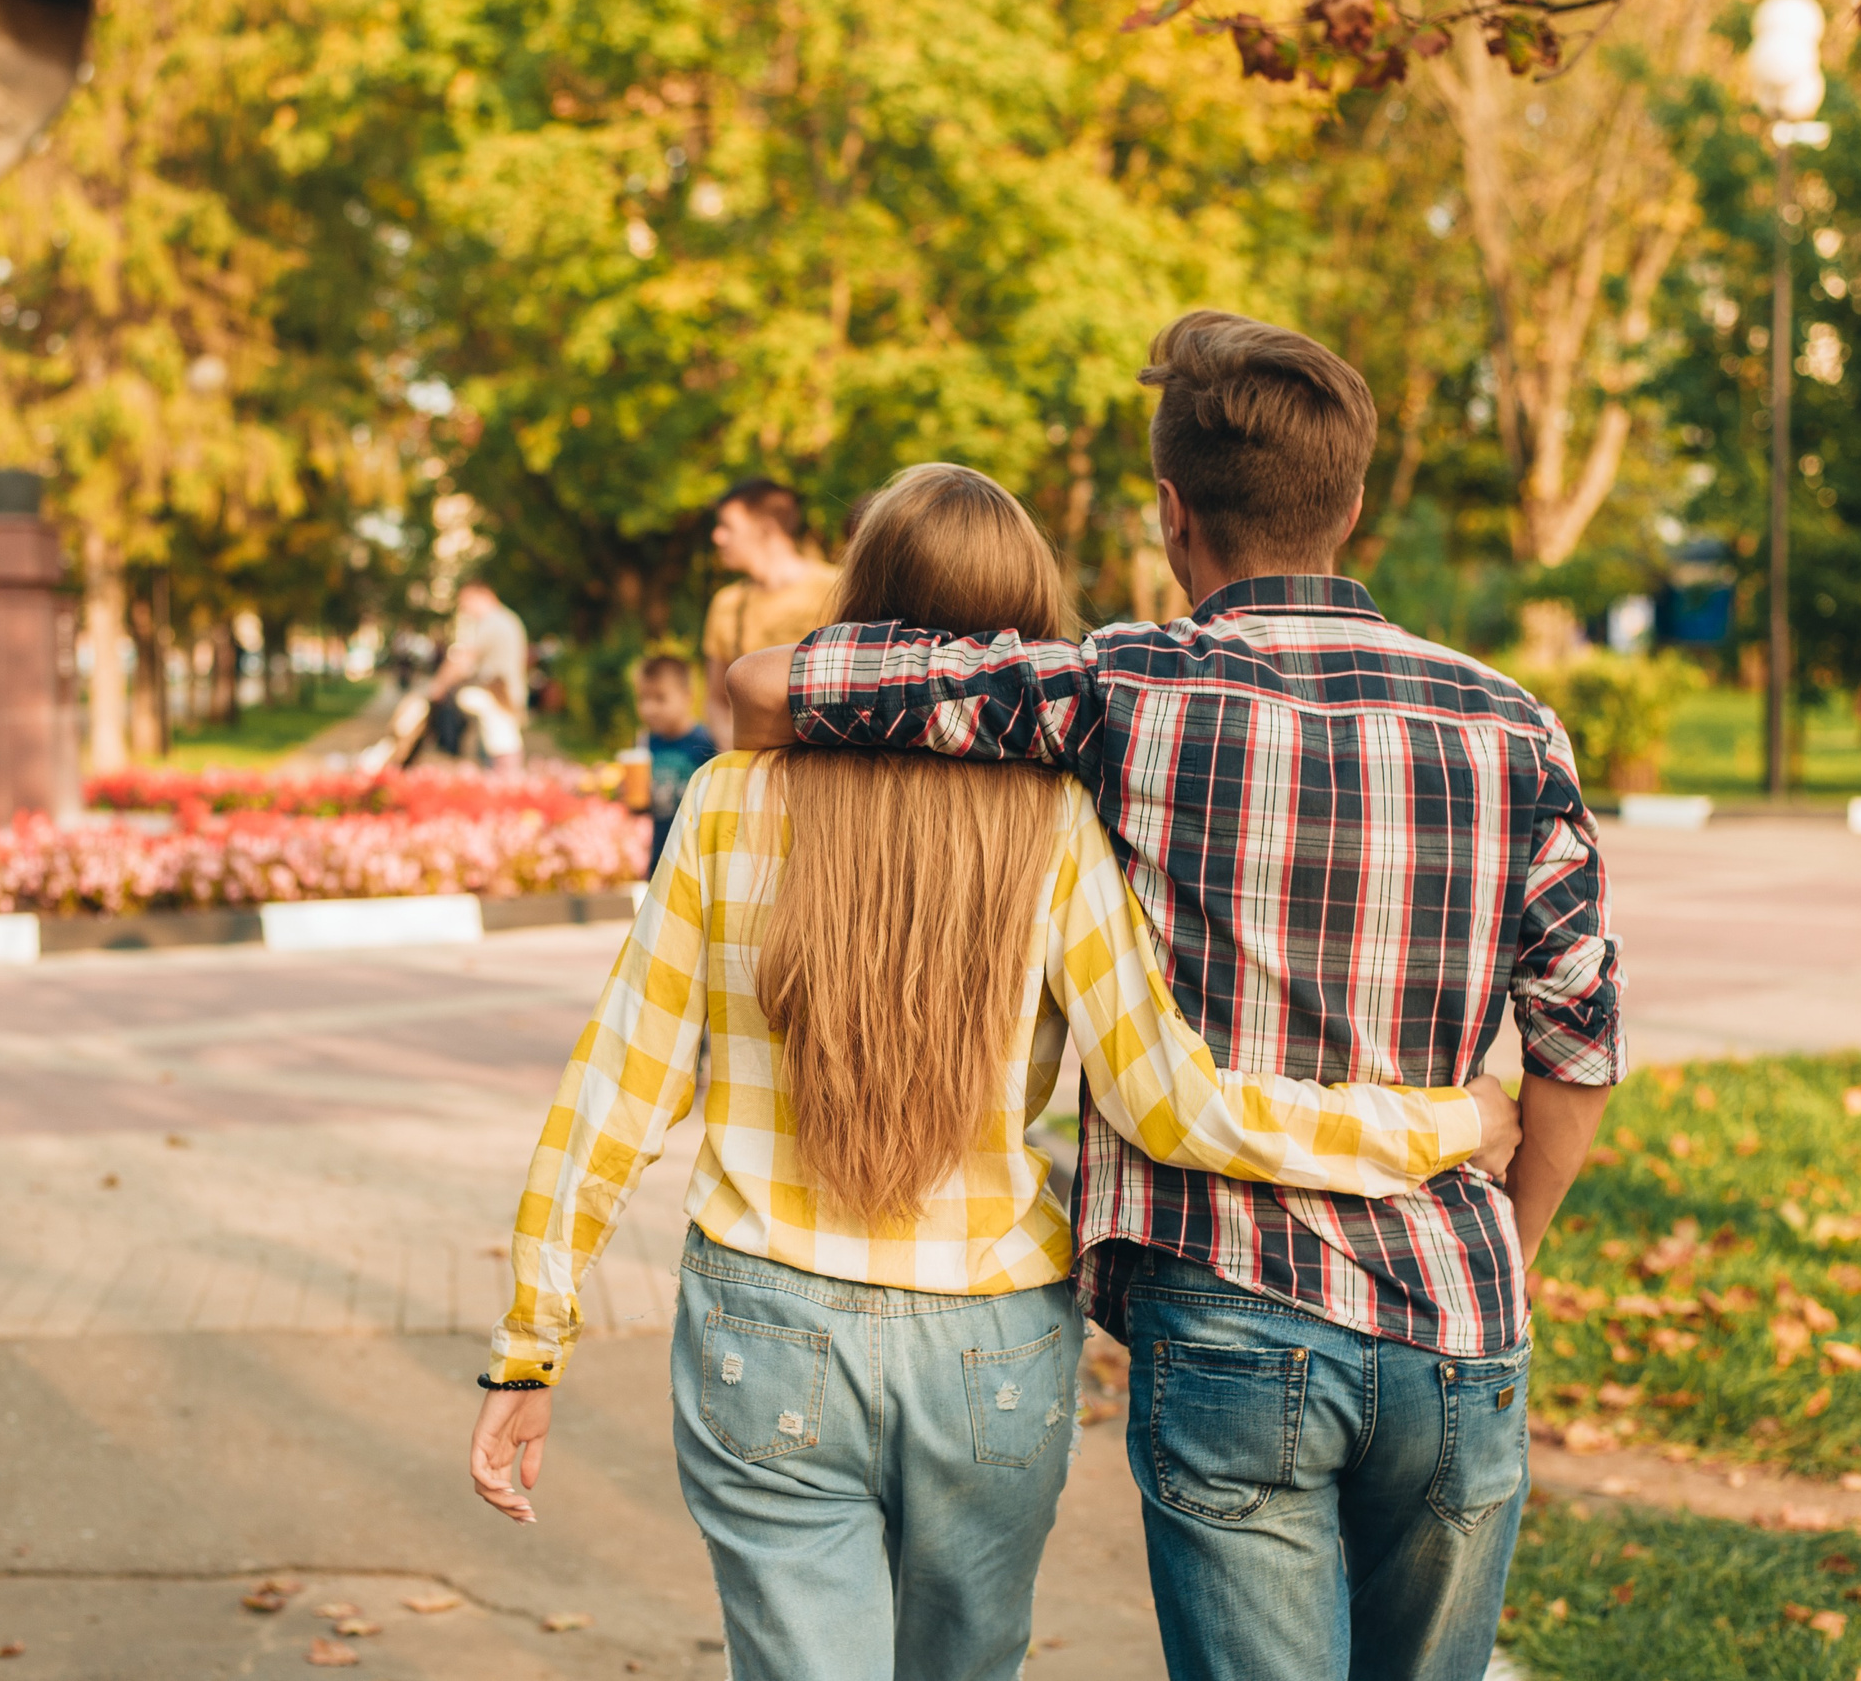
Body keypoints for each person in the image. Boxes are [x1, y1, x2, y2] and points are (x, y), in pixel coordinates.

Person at [469, 463, 1523, 1681]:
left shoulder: (722, 805)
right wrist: (1444, 1121)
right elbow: (1176, 1107)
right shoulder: (1057, 826)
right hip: (991, 1346)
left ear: (856, 609)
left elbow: (615, 1091)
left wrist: (530, 1343)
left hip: (763, 1319)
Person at [729, 315, 1624, 1681]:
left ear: (1168, 511)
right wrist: (1507, 1256)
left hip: (1231, 1317)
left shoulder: (1123, 688)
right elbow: (1576, 1049)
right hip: (1460, 1326)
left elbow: (767, 688)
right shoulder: (1513, 725)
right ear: (1354, 502)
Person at [703, 479, 842, 724]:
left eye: (727, 526)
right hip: (748, 757)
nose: (717, 536)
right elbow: (716, 702)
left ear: (766, 528)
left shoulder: (836, 588)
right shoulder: (727, 603)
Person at [365, 581, 529, 771]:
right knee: (500, 744)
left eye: (466, 603)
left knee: (501, 745)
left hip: (499, 695)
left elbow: (463, 660)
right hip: (504, 693)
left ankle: (505, 786)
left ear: (483, 594)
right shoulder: (508, 619)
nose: (465, 609)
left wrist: (438, 686)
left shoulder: (493, 621)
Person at [630, 655, 716, 880]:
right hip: (661, 856)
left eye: (660, 698)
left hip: (697, 859)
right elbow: (646, 804)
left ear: (688, 697)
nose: (649, 708)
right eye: (643, 698)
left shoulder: (706, 743)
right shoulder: (646, 743)